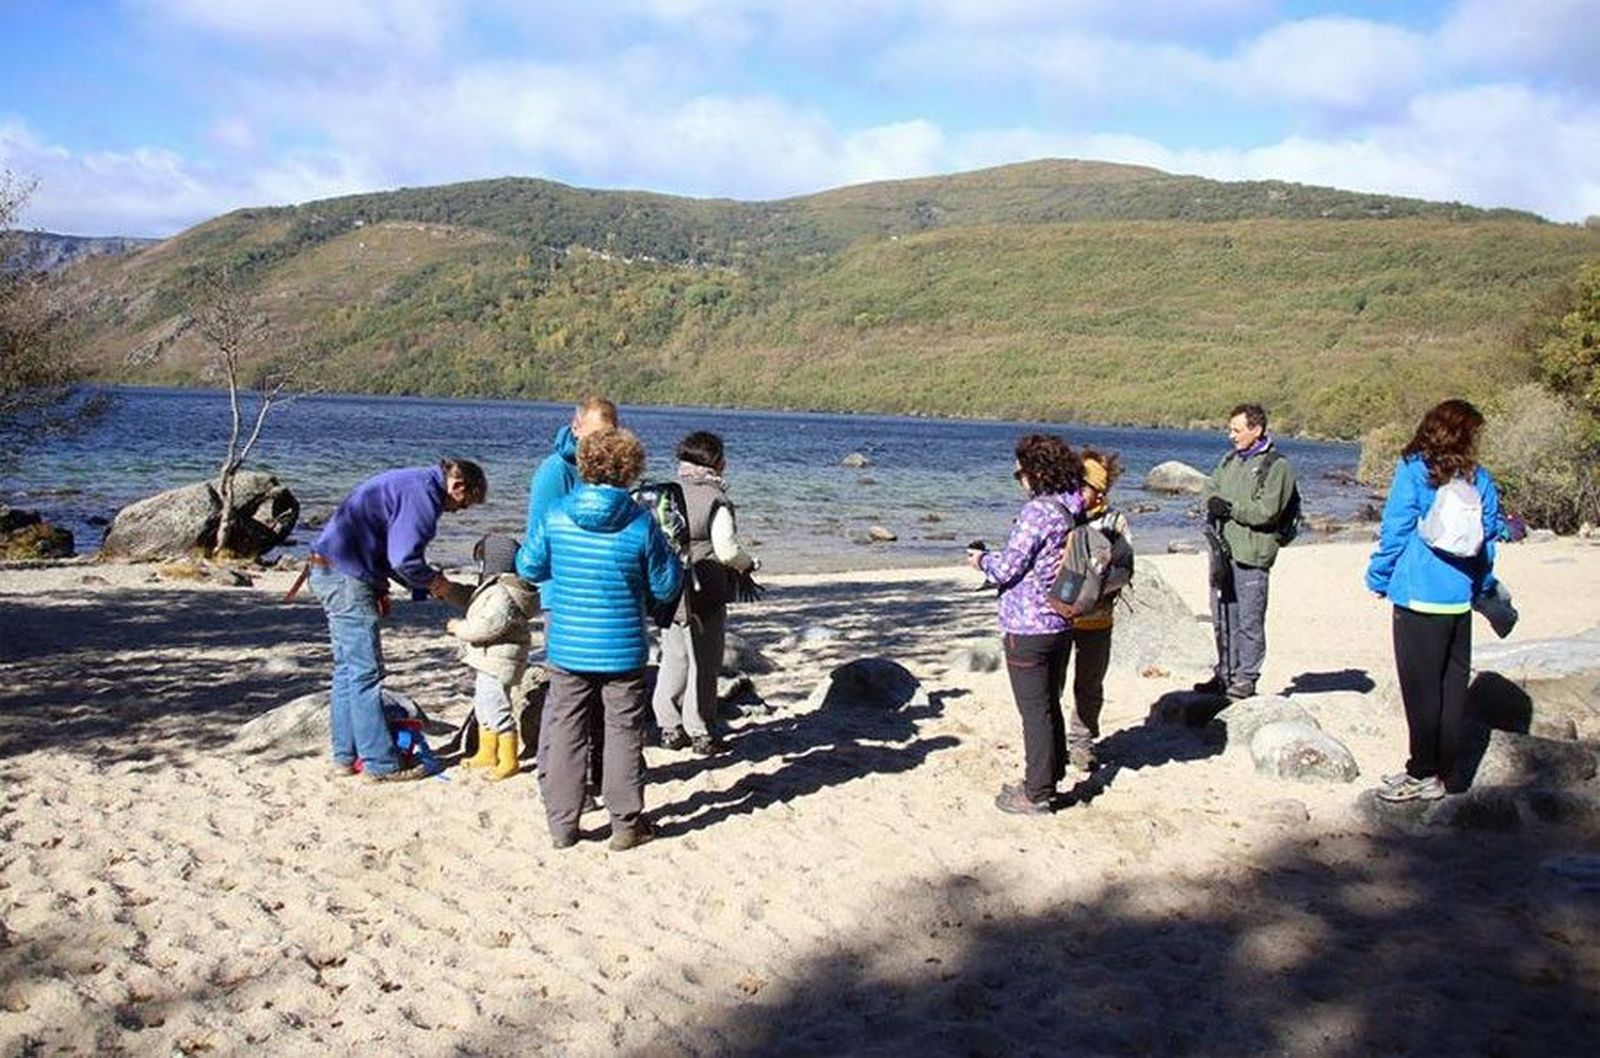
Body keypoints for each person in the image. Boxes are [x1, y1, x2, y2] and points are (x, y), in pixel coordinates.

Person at [521, 428, 681, 850]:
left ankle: (562, 826)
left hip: (569, 646)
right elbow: (666, 586)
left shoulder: (557, 514)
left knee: (566, 728)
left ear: (584, 464)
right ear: (630, 470)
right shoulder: (642, 523)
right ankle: (626, 824)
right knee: (623, 733)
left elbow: (529, 566)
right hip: (623, 647)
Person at [308, 459, 486, 782]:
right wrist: (433, 582)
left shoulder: (412, 482)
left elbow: (388, 549)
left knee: (347, 670)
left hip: (330, 570)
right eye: (463, 505)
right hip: (347, 577)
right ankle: (380, 764)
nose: (457, 512)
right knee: (365, 673)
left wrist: (408, 585)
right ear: (458, 485)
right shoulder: (424, 495)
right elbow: (403, 557)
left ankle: (344, 756)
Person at [1365, 399, 1502, 803]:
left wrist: (1379, 575)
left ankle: (1422, 772)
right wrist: (1481, 585)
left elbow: (1396, 527)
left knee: (1421, 692)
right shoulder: (1480, 478)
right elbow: (1488, 539)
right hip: (1458, 600)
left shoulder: (1414, 471)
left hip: (1418, 596)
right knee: (1451, 690)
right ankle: (1445, 772)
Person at [967, 434, 1083, 815]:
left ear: (1035, 472)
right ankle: (1050, 774)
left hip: (1028, 625)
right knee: (1050, 703)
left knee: (1034, 711)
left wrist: (981, 560)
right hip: (1060, 620)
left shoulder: (1038, 512)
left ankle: (1037, 793)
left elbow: (1007, 568)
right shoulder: (1071, 507)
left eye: (1020, 470)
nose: (1017, 477)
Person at [652, 431, 760, 755]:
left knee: (673, 657)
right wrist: (750, 563)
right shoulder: (716, 498)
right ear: (718, 463)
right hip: (705, 589)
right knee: (704, 660)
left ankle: (669, 727)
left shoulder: (665, 493)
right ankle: (700, 730)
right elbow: (726, 551)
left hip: (668, 587)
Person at [1198, 403, 1297, 701]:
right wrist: (1215, 503)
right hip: (1224, 550)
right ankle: (1224, 672)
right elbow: (1209, 488)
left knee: (1249, 620)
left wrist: (1230, 508)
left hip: (1253, 554)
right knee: (1222, 615)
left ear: (1256, 430)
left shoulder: (1277, 466)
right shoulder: (1230, 460)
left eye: (1237, 430)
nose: (1231, 435)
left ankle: (1246, 678)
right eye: (1230, 429)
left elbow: (1267, 511)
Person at [447, 534, 538, 781]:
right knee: (484, 704)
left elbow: (488, 627)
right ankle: (487, 751)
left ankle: (509, 759)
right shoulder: (498, 587)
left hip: (499, 660)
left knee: (496, 706)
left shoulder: (502, 593)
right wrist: (448, 590)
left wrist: (459, 628)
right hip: (492, 659)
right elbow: (475, 602)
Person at [1066, 448, 1129, 773]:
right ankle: (1051, 740)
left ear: (1099, 491)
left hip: (1097, 618)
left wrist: (1091, 590)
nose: (1076, 492)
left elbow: (1122, 570)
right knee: (1051, 681)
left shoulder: (1115, 522)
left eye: (1083, 487)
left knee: (1089, 684)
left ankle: (1082, 741)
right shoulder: (1063, 515)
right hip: (1060, 616)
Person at [516, 395, 619, 579]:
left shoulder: (612, 471)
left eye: (608, 435)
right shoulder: (555, 470)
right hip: (559, 586)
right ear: (576, 428)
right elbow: (537, 545)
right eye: (595, 435)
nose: (601, 442)